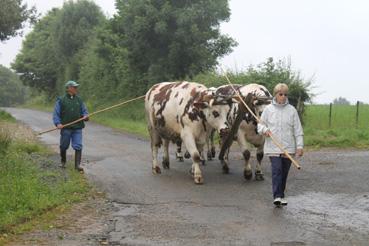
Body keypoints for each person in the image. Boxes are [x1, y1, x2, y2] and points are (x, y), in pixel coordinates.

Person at [257, 83, 304, 206]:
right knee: (277, 170)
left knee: (284, 172)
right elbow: (260, 125)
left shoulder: (292, 110)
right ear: (276, 95)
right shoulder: (268, 110)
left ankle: (281, 194)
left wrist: (300, 146)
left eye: (285, 94)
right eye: (280, 94)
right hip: (273, 147)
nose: (283, 96)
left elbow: (298, 130)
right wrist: (264, 130)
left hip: (288, 147)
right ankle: (277, 196)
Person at [53, 80, 89, 172]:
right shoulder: (61, 100)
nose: (76, 89)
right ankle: (63, 161)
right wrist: (58, 123)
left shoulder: (79, 100)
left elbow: (84, 111)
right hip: (66, 128)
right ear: (68, 88)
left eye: (76, 87)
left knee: (78, 145)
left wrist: (85, 116)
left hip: (78, 127)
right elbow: (56, 113)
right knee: (64, 146)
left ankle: (77, 165)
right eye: (74, 87)